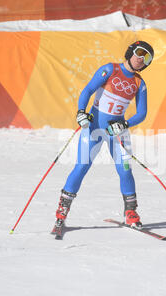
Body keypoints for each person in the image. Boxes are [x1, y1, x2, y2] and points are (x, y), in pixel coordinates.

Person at [53, 40, 154, 230]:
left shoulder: (139, 83)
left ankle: (131, 213)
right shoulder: (110, 69)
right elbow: (88, 90)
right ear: (130, 51)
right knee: (82, 167)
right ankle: (62, 212)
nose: (142, 59)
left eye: (147, 57)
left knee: (125, 170)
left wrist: (124, 124)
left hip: (117, 133)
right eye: (140, 52)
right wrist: (82, 112)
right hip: (94, 128)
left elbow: (142, 114)